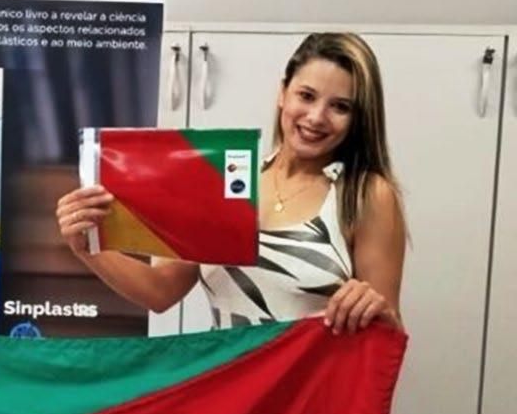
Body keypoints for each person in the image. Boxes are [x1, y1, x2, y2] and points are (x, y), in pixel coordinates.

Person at [56, 32, 406, 336]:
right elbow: (160, 291)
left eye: (340, 107)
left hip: (311, 392)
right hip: (229, 386)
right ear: (283, 93)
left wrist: (374, 308)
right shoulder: (224, 179)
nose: (316, 117)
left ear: (357, 118)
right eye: (306, 96)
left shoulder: (366, 195)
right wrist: (88, 247)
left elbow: (385, 334)